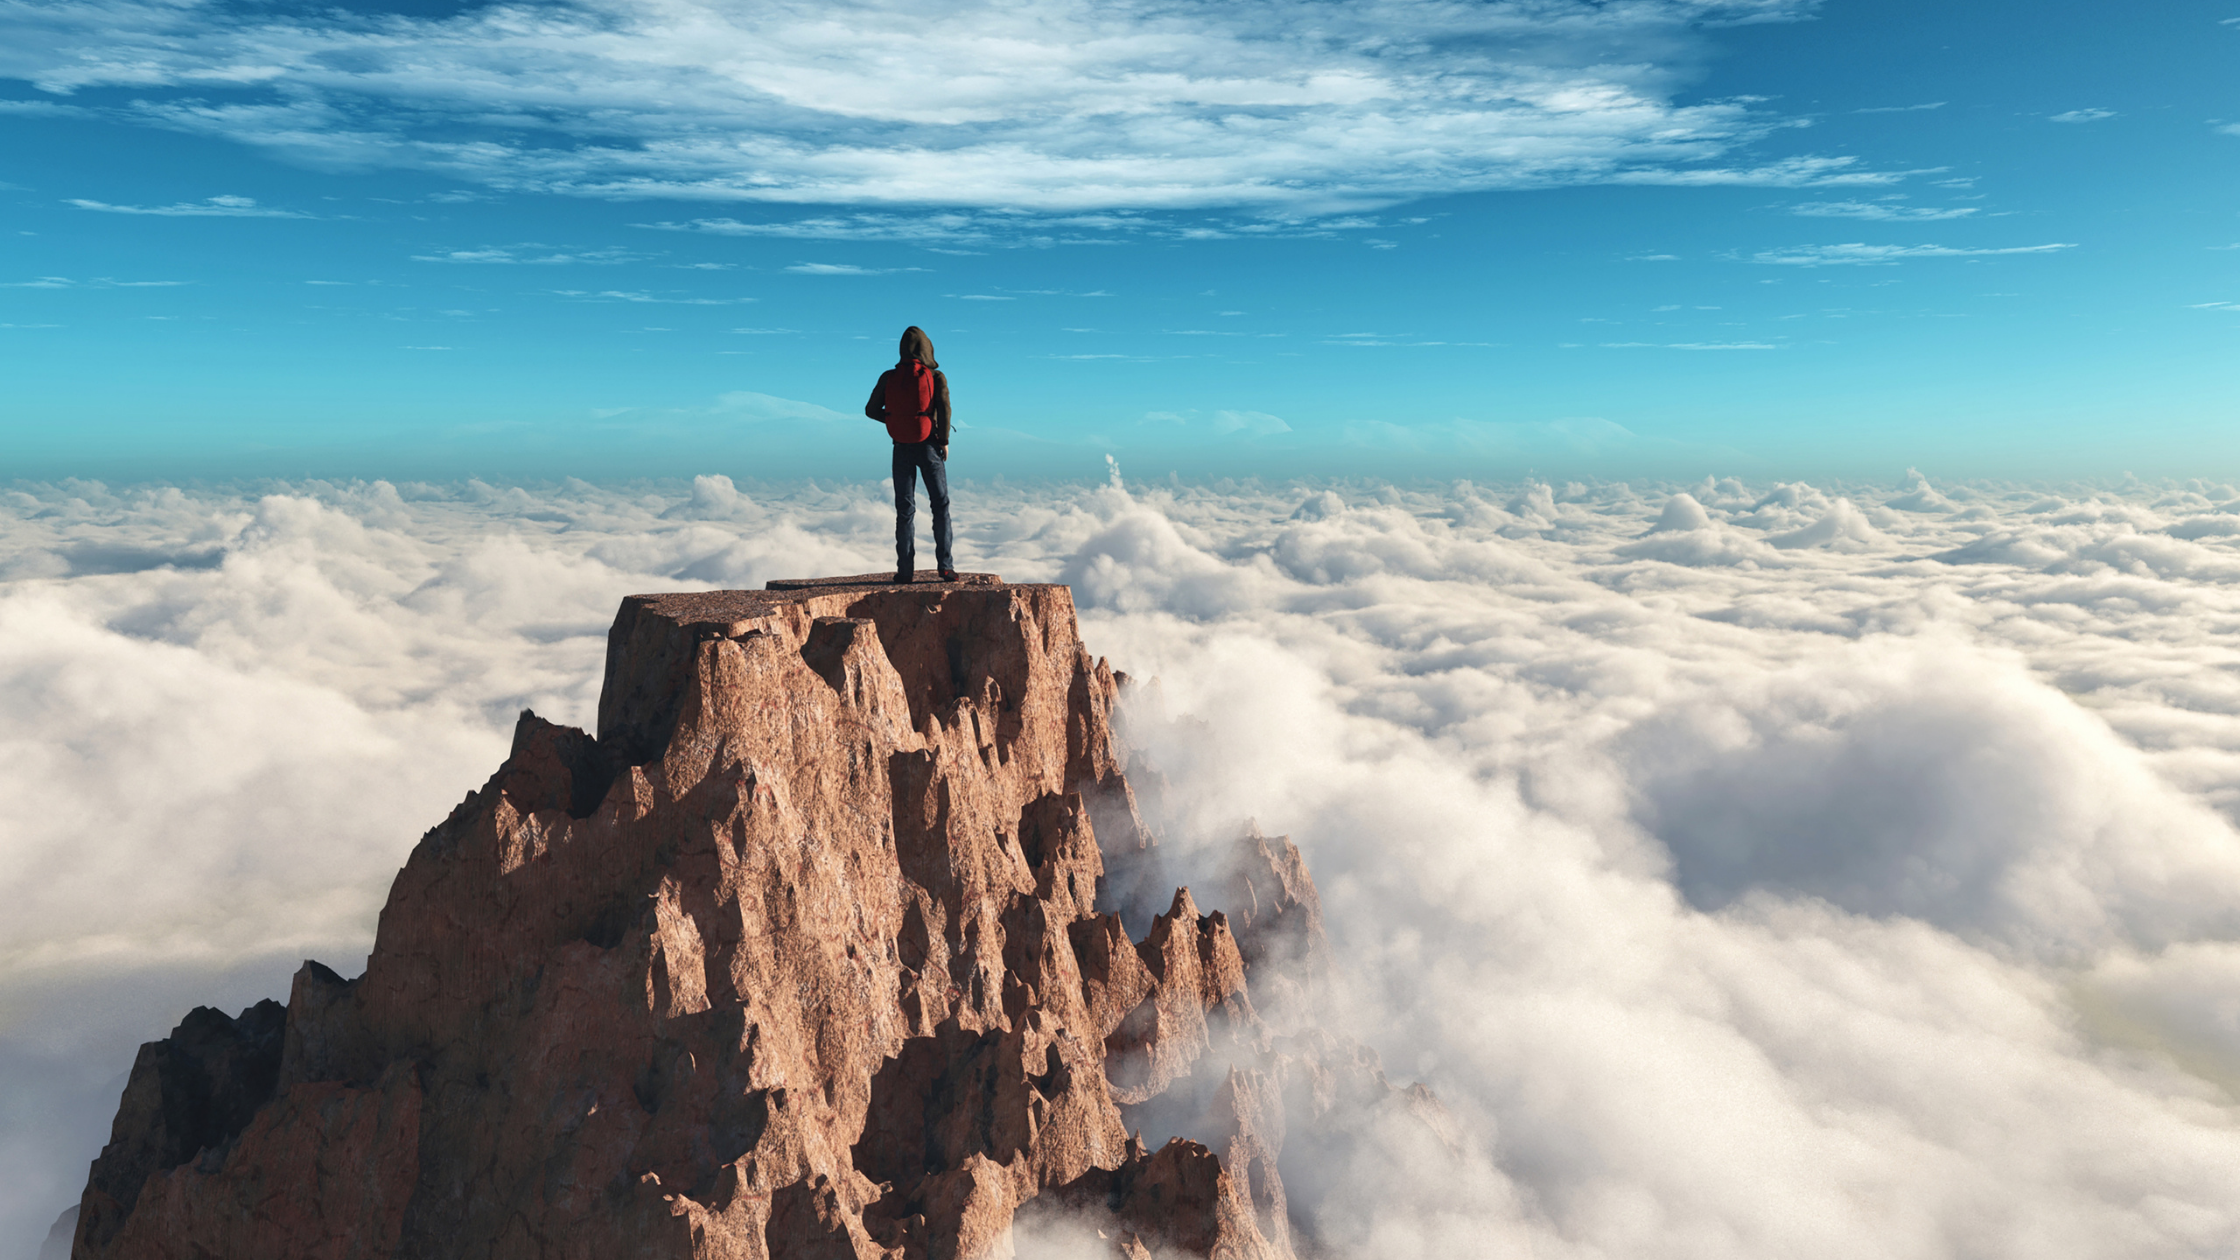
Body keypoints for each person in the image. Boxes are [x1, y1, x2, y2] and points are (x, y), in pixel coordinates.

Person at [865, 325, 956, 583]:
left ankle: (905, 572)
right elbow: (945, 408)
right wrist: (943, 438)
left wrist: (895, 421)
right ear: (927, 348)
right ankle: (945, 568)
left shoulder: (889, 376)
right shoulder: (935, 377)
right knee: (940, 505)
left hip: (900, 446)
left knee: (905, 510)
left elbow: (871, 410)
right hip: (929, 446)